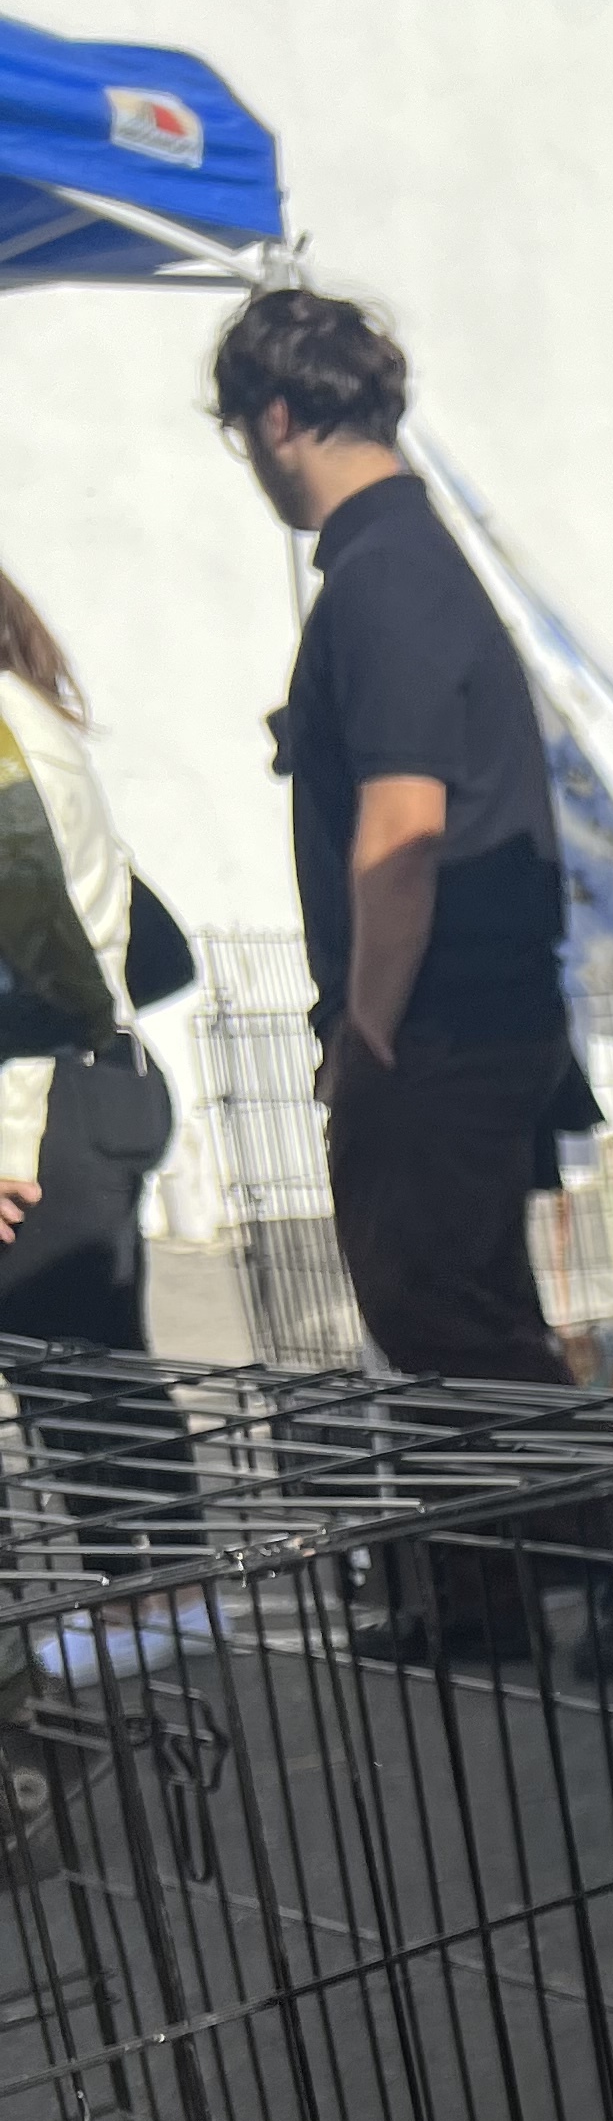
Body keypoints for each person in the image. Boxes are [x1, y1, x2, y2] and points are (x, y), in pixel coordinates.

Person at [209, 288, 575, 1408]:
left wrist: (366, 1034)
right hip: (467, 1019)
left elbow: (404, 826)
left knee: (454, 1351)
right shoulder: (400, 560)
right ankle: (566, 1575)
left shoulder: (385, 575)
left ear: (276, 418)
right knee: (470, 1339)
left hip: (435, 1033)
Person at [0, 563, 197, 1559]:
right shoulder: (26, 719)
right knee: (90, 1378)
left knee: (82, 1386)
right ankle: (154, 1609)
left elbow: (34, 970)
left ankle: (150, 1613)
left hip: (45, 1104)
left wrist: (3, 1143)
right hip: (81, 1091)